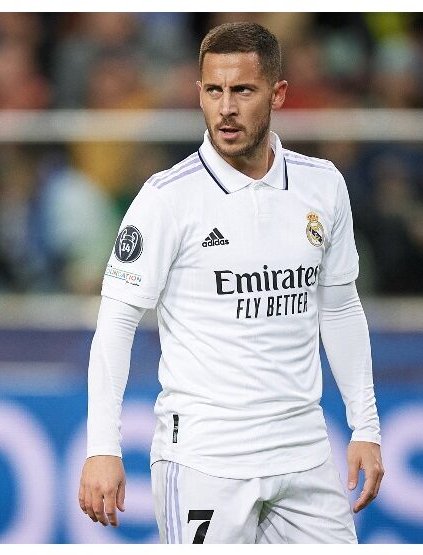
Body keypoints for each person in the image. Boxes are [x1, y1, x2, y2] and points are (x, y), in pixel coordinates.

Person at [78, 22, 384, 544]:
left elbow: (339, 308)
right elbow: (115, 323)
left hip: (304, 454)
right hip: (206, 461)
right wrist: (102, 447)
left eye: (242, 90)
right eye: (213, 91)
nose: (226, 108)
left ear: (277, 94)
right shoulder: (166, 199)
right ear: (199, 93)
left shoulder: (322, 185)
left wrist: (366, 426)